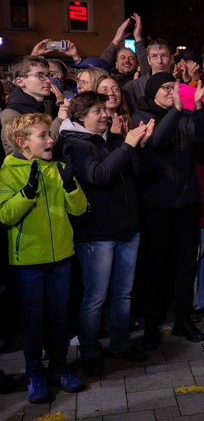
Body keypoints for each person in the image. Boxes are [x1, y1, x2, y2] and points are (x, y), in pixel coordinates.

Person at [59, 92, 155, 376]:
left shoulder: (112, 140)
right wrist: (127, 145)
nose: (105, 114)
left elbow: (141, 175)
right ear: (80, 116)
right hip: (97, 233)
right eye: (97, 111)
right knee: (95, 297)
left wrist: (139, 147)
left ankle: (119, 343)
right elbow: (99, 176)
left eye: (105, 109)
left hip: (128, 229)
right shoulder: (74, 145)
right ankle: (90, 350)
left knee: (123, 294)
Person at [0, 113, 87, 403]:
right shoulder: (7, 172)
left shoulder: (58, 168)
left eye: (50, 134)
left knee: (60, 318)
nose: (51, 139)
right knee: (33, 322)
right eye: (43, 135)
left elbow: (79, 209)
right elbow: (5, 215)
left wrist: (71, 186)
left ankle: (59, 368)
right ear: (22, 142)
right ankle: (35, 374)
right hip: (28, 263)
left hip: (61, 257)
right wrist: (27, 192)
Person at [132, 72, 204, 350]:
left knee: (185, 265)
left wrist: (198, 107)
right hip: (157, 205)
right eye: (166, 87)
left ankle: (182, 319)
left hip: (186, 202)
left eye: (175, 87)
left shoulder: (184, 114)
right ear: (152, 91)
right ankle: (152, 325)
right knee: (156, 267)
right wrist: (177, 111)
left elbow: (203, 137)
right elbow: (156, 141)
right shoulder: (142, 116)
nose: (171, 91)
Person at [1, 56, 59, 154]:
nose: (48, 81)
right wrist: (60, 120)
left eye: (48, 75)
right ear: (20, 81)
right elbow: (22, 154)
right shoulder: (12, 113)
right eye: (40, 75)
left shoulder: (51, 104)